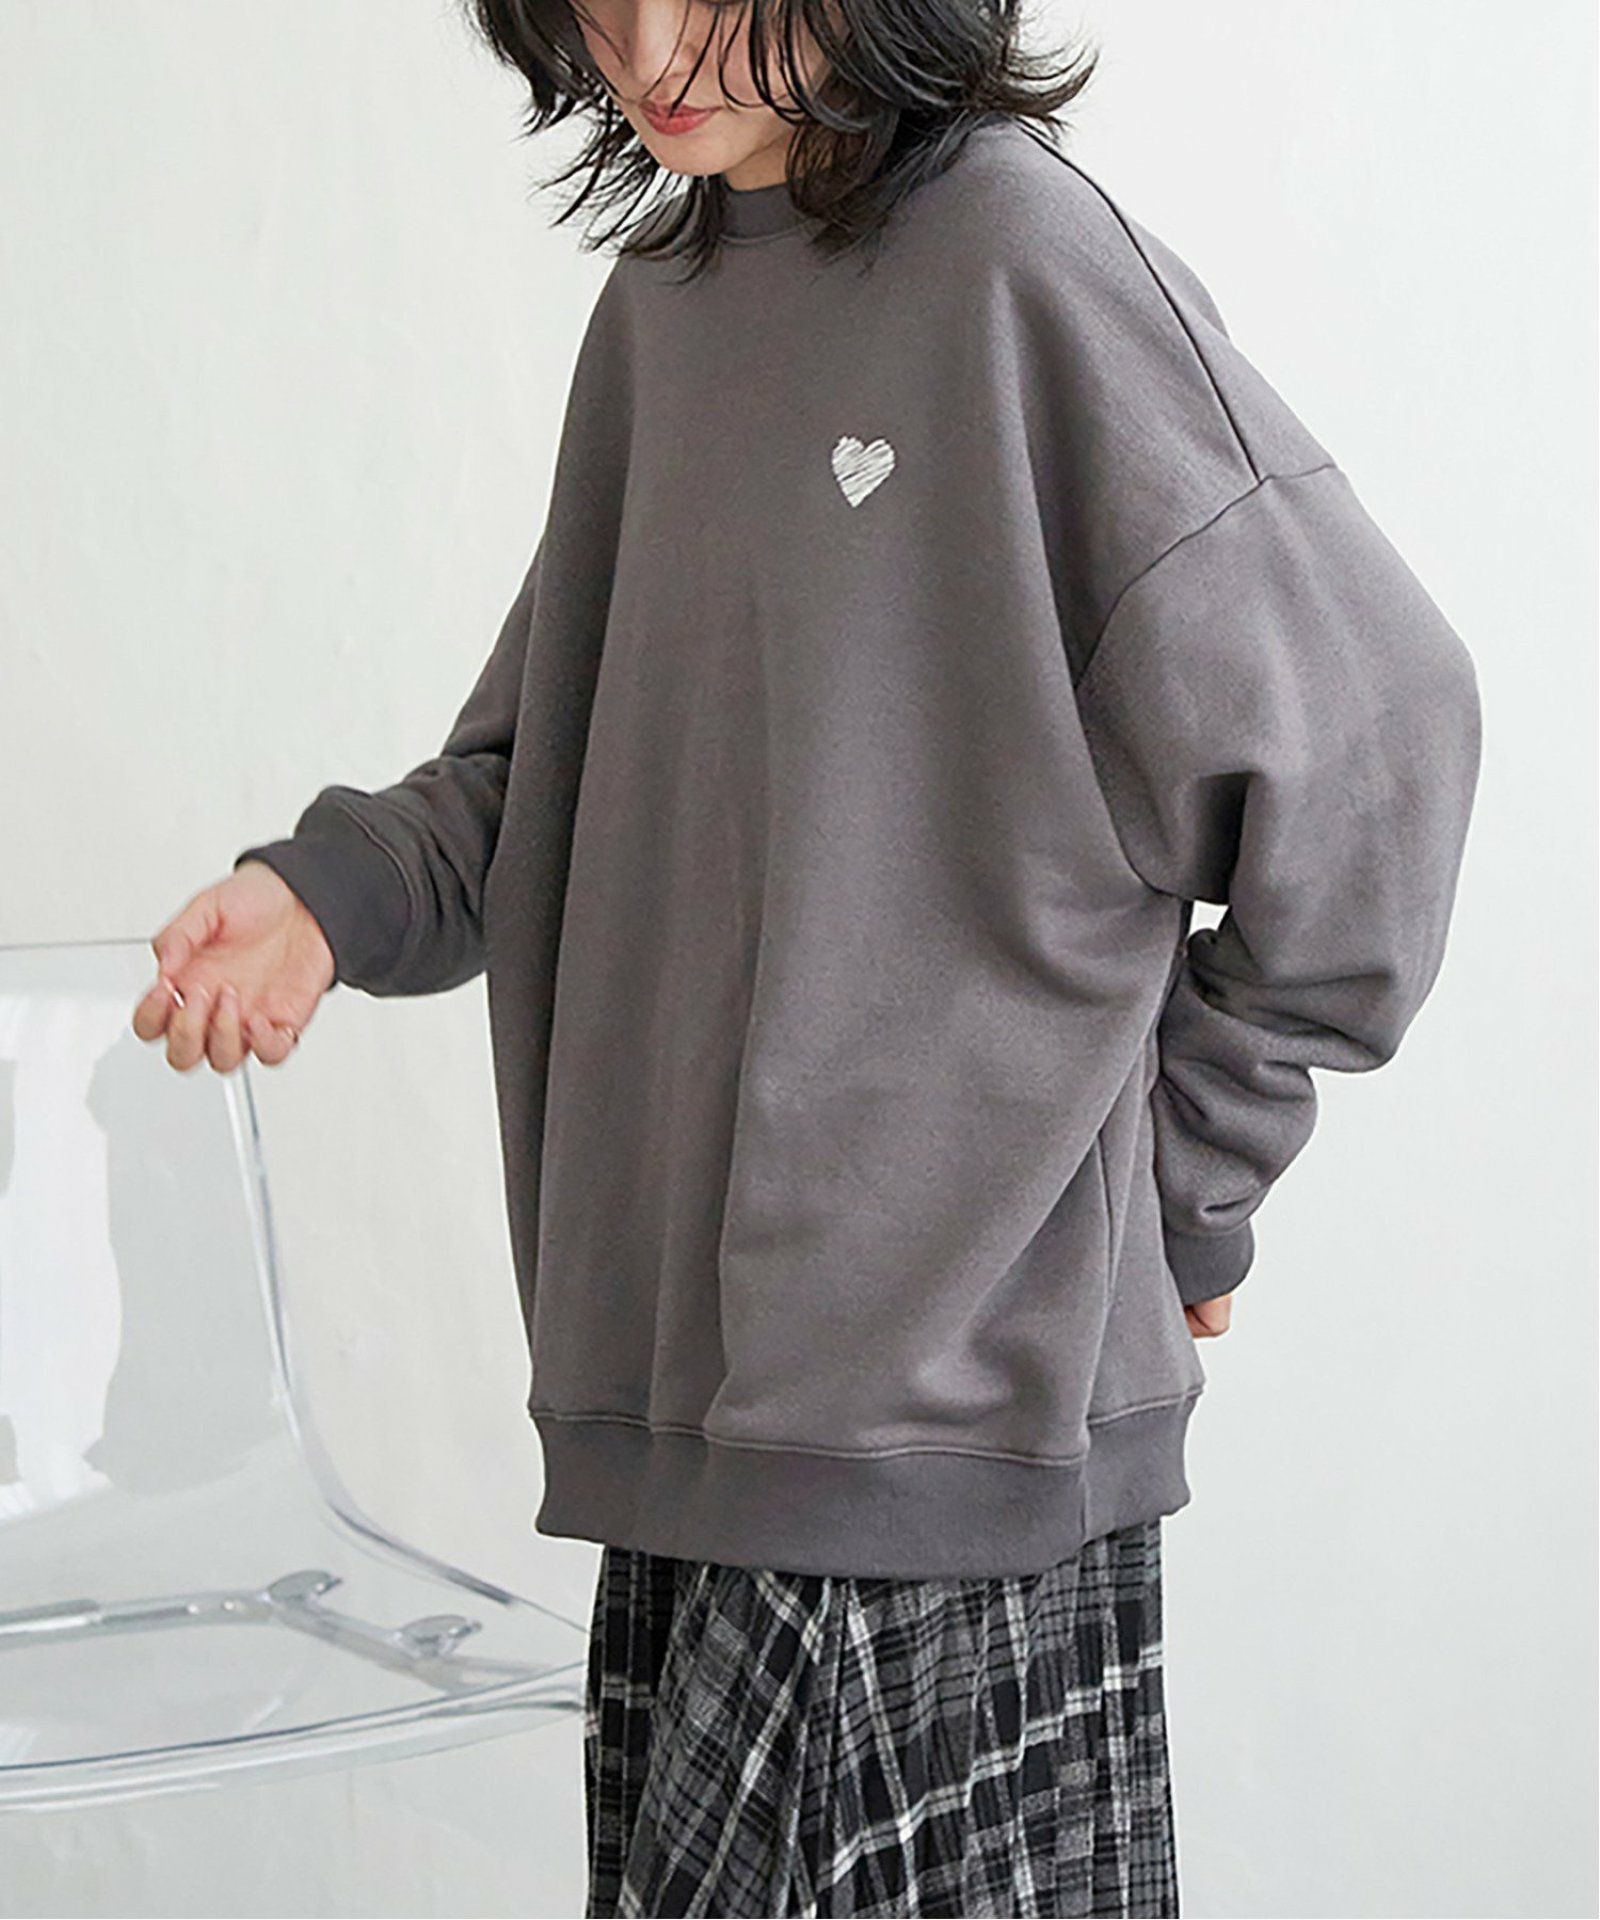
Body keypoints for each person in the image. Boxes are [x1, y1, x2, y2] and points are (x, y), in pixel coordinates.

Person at [131, 0, 1484, 1910]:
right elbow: (553, 772)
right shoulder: (668, 305)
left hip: (947, 1440)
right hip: (699, 1435)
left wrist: (1180, 1185)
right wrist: (330, 897)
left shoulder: (1019, 262)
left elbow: (1380, 729)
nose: (646, 46)